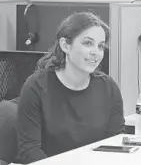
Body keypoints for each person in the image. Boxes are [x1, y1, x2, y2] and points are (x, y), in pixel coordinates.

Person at [16, 12, 125, 164]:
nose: (96, 52)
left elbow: (116, 145)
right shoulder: (36, 87)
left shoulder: (109, 88)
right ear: (65, 45)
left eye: (100, 46)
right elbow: (29, 151)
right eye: (88, 43)